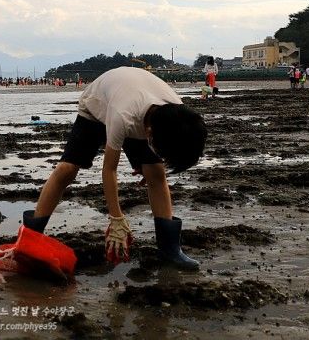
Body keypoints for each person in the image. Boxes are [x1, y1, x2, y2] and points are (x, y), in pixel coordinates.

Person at [22, 67, 207, 270]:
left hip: (138, 107)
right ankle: (30, 238)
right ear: (150, 133)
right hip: (96, 108)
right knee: (68, 169)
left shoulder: (175, 115)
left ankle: (170, 249)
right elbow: (109, 169)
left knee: (156, 172)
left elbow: (169, 145)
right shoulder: (123, 116)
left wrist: (149, 163)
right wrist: (116, 218)